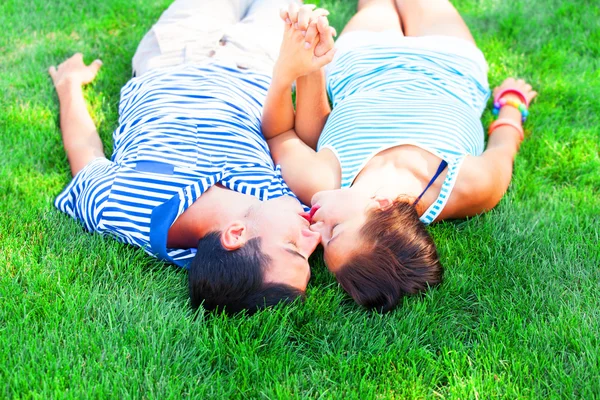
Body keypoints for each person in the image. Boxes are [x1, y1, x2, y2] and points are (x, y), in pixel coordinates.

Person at [47, 0, 330, 315]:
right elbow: (299, 136)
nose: (313, 238)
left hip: (173, 56)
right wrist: (306, 65)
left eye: (294, 249)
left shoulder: (124, 207)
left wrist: (68, 85)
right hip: (258, 65)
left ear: (236, 233)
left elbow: (86, 154)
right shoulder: (286, 202)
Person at [262, 0, 538, 312]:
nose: (315, 231)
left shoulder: (324, 182)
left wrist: (299, 67)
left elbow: (280, 135)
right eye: (334, 231)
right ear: (381, 205)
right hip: (450, 63)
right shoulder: (469, 184)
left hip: (365, 61)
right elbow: (502, 148)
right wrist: (513, 105)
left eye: (323, 243)